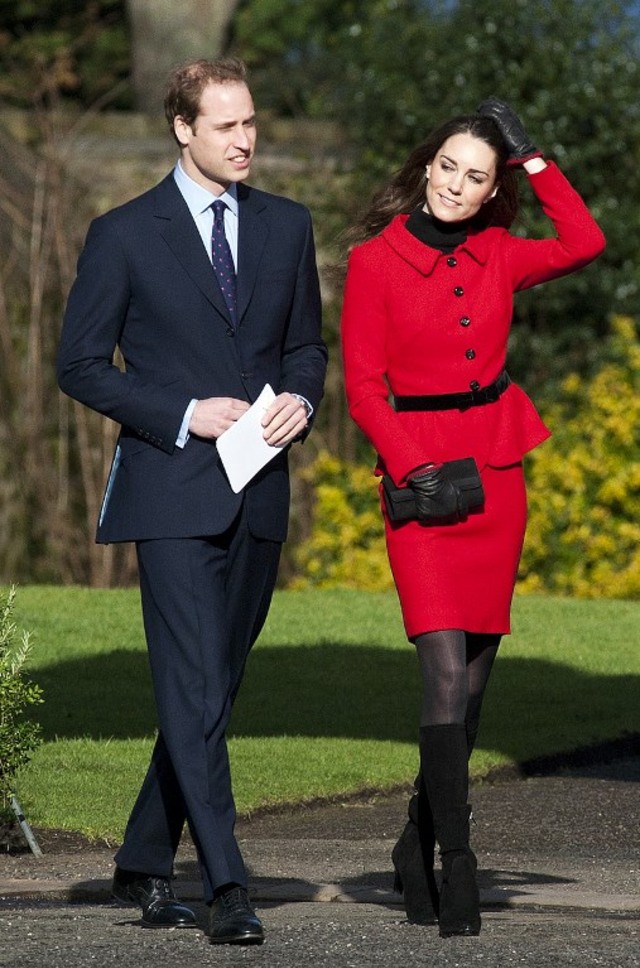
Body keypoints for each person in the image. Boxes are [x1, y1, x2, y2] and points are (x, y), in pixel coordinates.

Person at [57, 57, 327, 945]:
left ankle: (141, 858)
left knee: (214, 691)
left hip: (259, 492)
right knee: (195, 683)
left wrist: (300, 399)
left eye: (251, 122)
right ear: (183, 128)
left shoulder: (288, 228)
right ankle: (227, 885)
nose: (245, 139)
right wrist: (180, 412)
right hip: (170, 490)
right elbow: (82, 366)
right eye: (225, 126)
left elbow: (305, 349)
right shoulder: (124, 234)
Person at [340, 98, 605, 938]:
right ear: (426, 169)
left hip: (495, 470)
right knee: (444, 671)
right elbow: (361, 387)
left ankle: (414, 843)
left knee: (479, 678)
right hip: (422, 480)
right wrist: (413, 465)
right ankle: (459, 862)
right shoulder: (373, 263)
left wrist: (530, 154)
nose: (457, 185)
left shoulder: (498, 252)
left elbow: (585, 241)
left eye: (476, 175)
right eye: (448, 167)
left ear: (492, 191)